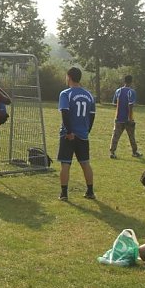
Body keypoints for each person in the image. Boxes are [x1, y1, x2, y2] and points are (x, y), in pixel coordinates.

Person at [57, 67, 96, 201]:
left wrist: (69, 131)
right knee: (85, 163)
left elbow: (65, 113)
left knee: (65, 164)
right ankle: (90, 191)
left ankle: (64, 194)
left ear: (69, 77)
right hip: (83, 134)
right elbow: (92, 116)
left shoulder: (65, 94)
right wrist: (86, 131)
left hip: (68, 135)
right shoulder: (90, 95)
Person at [109, 75, 141, 158]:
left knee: (115, 136)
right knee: (131, 136)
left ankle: (112, 153)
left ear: (124, 81)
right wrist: (130, 119)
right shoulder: (131, 92)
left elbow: (114, 104)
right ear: (131, 82)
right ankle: (134, 152)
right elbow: (130, 105)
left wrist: (120, 108)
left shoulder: (118, 91)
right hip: (127, 118)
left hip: (118, 118)